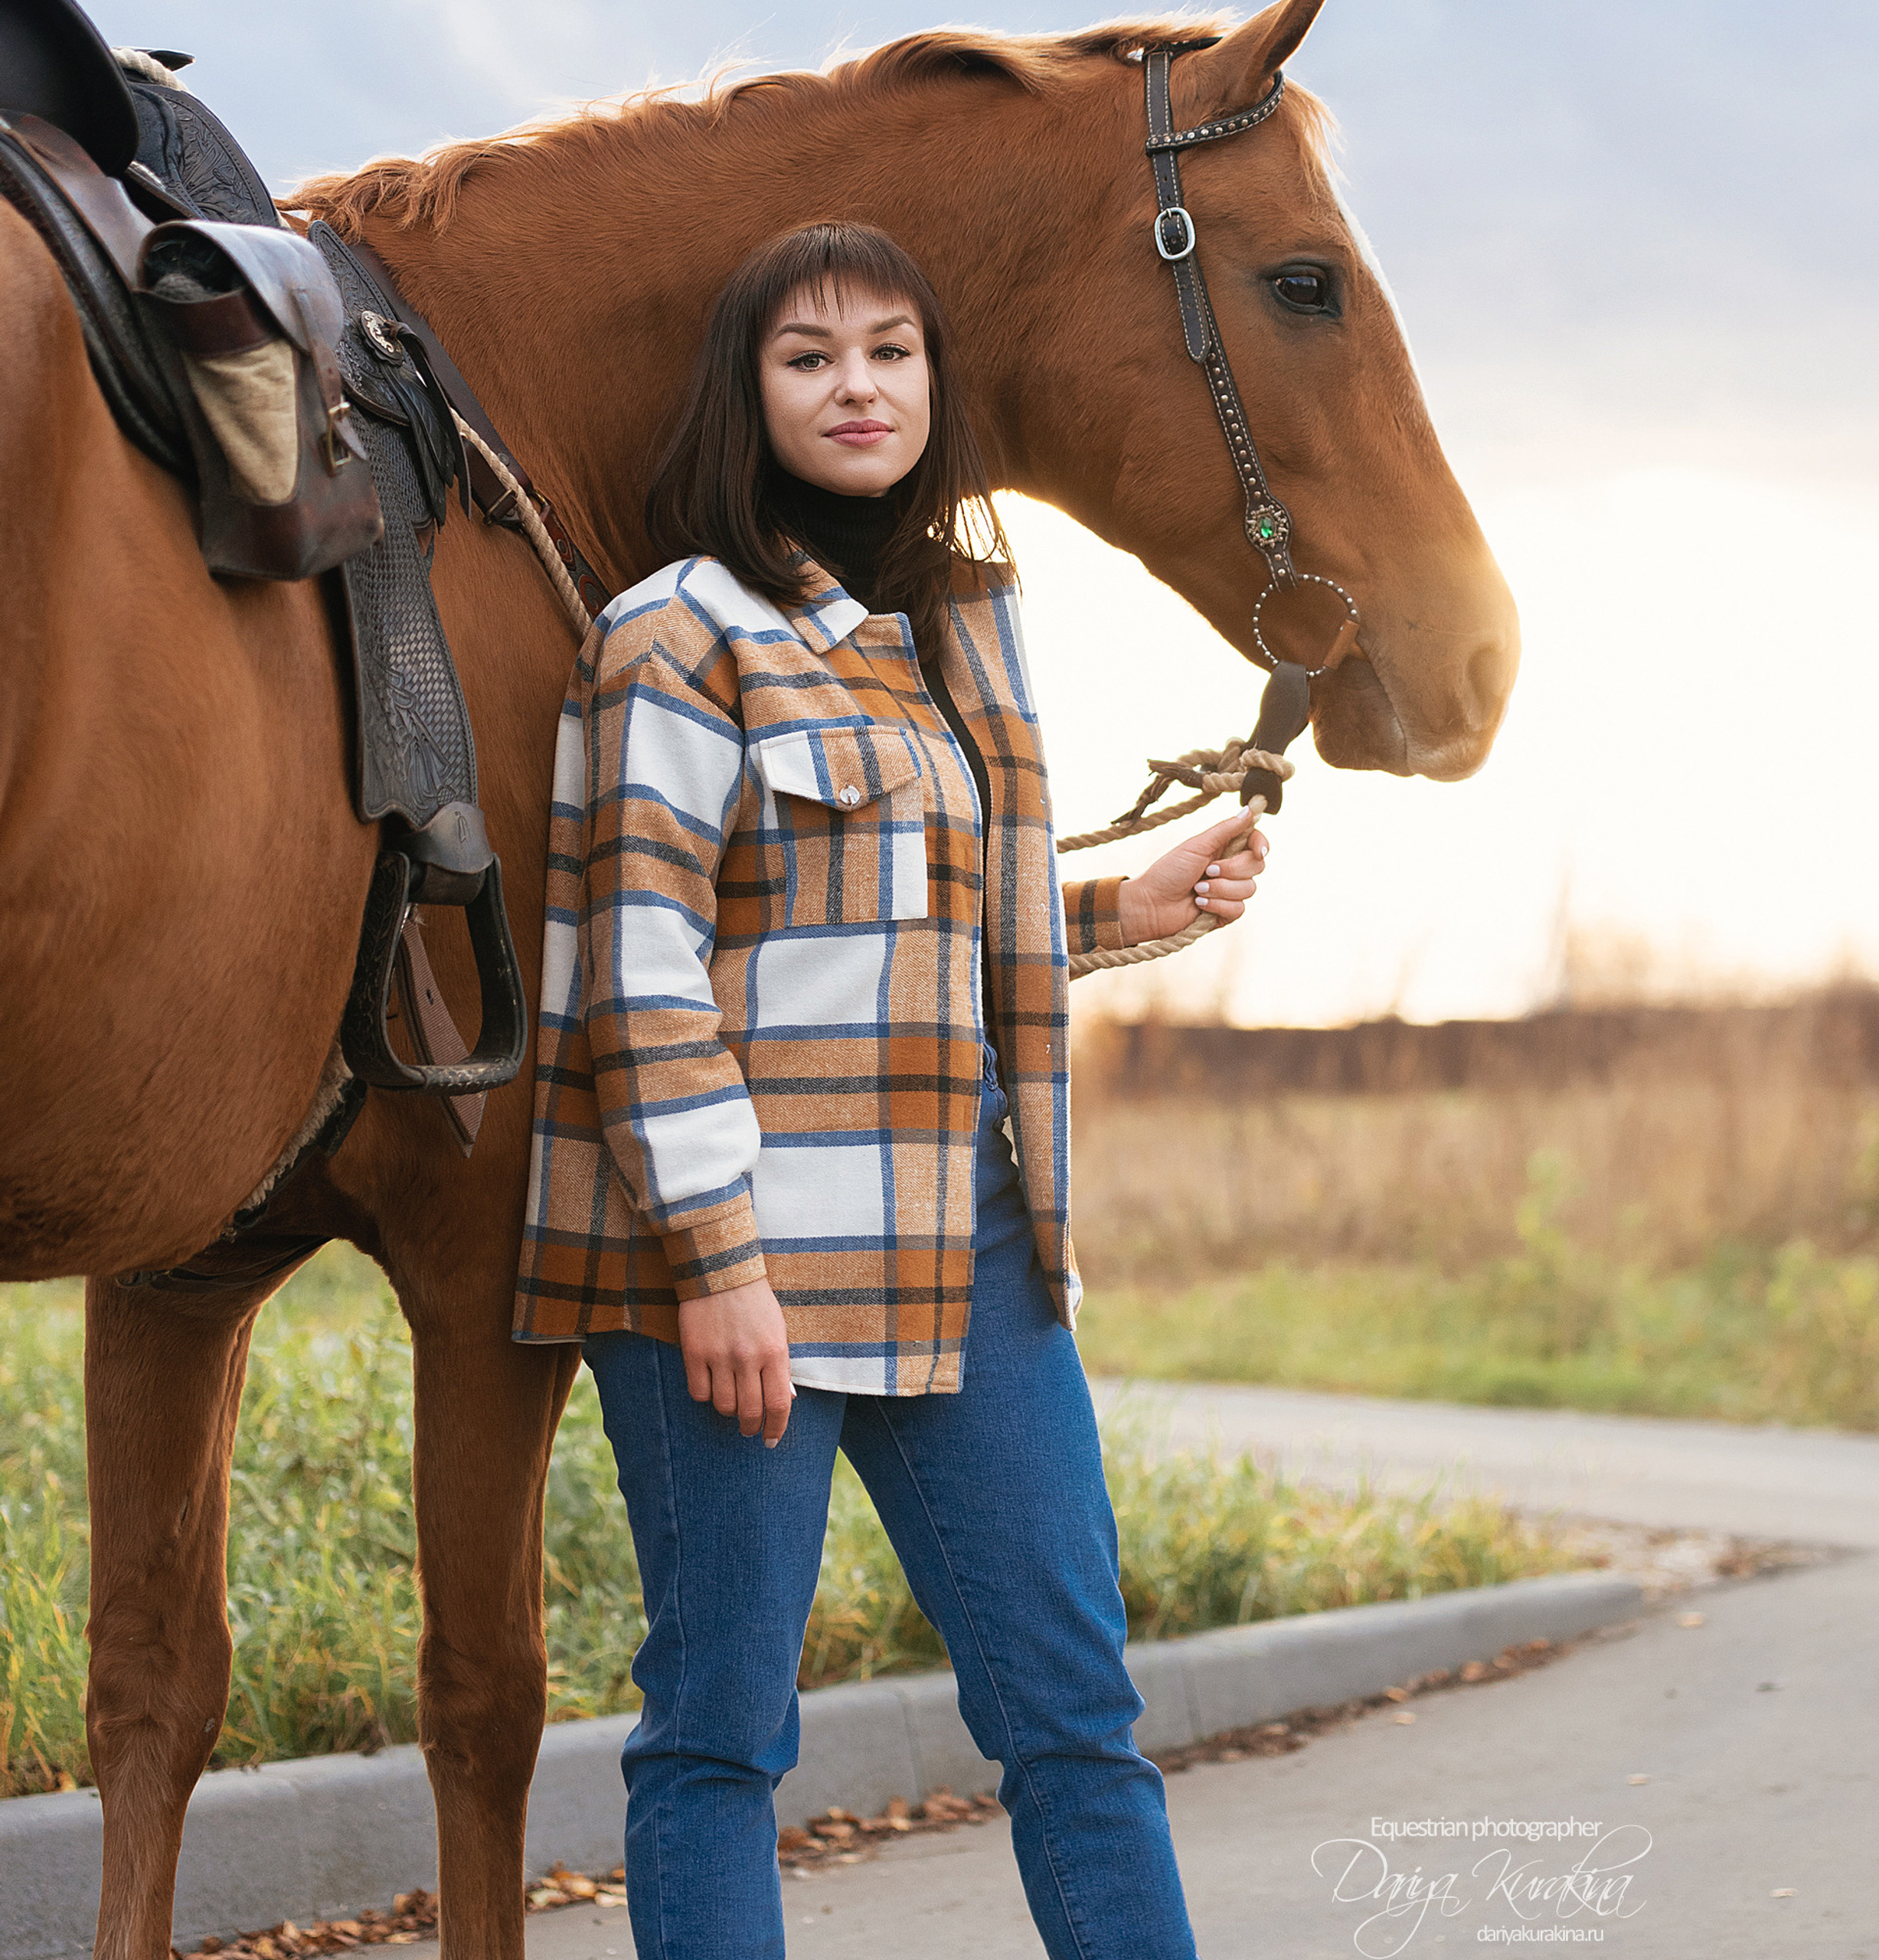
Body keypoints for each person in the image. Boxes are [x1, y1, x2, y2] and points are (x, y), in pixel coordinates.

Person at [516, 221, 1269, 1960]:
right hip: (746, 1266)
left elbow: (901, 928)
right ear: (748, 392)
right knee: (720, 1729)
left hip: (969, 1237)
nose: (857, 385)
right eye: (808, 355)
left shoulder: (961, 628)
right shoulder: (676, 633)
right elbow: (639, 970)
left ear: (936, 384)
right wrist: (713, 1264)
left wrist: (1108, 911)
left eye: (890, 351)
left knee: (1078, 1714)